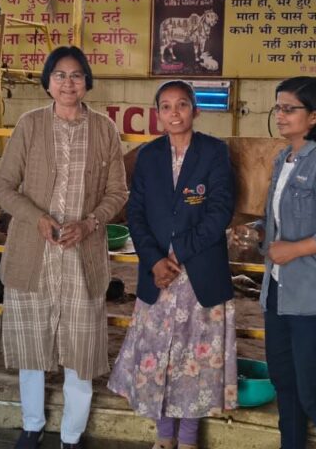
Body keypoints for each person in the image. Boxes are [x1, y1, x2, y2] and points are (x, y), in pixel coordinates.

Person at [0, 46, 128, 449]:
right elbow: (3, 187)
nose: (68, 83)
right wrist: (36, 217)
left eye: (76, 75)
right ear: (48, 83)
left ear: (87, 81)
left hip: (82, 259)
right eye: (60, 75)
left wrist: (90, 223)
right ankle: (32, 425)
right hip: (32, 257)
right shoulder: (30, 125)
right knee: (32, 349)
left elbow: (118, 192)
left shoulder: (104, 129)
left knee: (80, 353)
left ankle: (72, 435)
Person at [230, 77, 316, 449]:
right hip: (278, 293)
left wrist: (295, 249)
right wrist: (257, 232)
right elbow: (278, 221)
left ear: (314, 116)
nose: (280, 115)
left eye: (289, 109)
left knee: (315, 393)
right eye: (278, 107)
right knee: (285, 386)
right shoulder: (284, 159)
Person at [108, 81, 238, 449]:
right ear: (158, 114)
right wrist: (153, 260)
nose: (174, 112)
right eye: (166, 106)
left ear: (196, 110)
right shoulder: (148, 156)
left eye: (182, 104)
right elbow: (136, 213)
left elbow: (220, 211)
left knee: (196, 358)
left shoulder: (214, 152)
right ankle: (164, 437)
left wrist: (177, 254)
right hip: (159, 277)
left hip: (199, 274)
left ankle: (189, 439)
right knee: (159, 356)